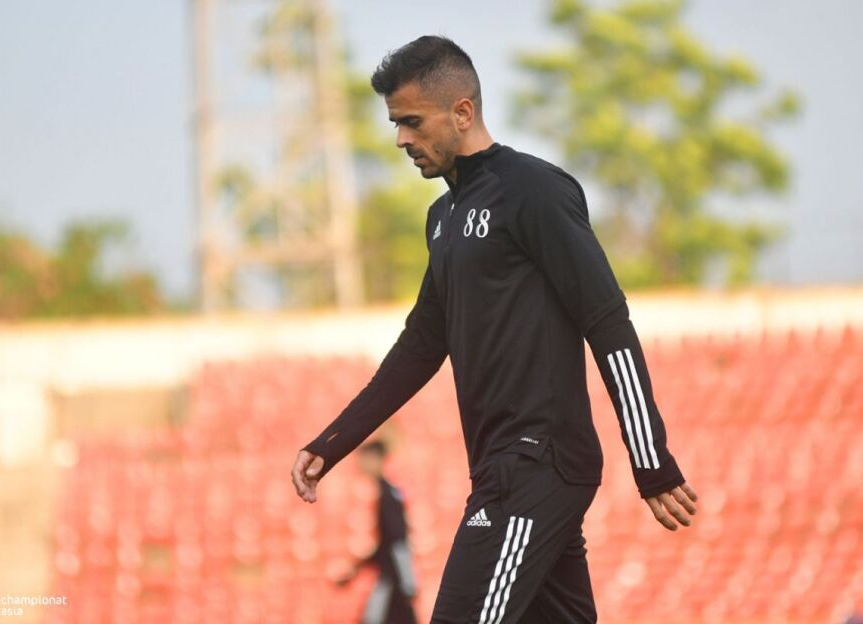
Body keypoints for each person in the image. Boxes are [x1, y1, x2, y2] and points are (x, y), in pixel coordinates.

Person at [292, 35, 699, 623]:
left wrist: (650, 457)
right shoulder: (443, 218)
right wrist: (331, 444)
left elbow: (606, 321)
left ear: (463, 112)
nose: (401, 139)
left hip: (536, 463)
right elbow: (419, 347)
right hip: (500, 467)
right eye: (395, 124)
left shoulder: (533, 189)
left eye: (411, 121)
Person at [335, 440, 418, 624]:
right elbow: (386, 544)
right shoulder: (386, 493)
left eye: (365, 459)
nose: (361, 464)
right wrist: (355, 571)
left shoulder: (388, 496)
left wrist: (408, 578)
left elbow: (398, 540)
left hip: (393, 577)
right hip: (391, 575)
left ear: (378, 459)